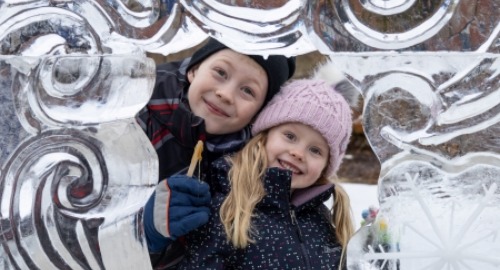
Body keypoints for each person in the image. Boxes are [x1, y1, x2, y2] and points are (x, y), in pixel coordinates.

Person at [176, 60, 358, 269]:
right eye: (290, 136)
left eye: (315, 150)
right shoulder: (227, 209)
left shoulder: (324, 218)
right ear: (264, 136)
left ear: (327, 165)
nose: (298, 153)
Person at [137, 38, 296, 267]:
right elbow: (76, 229)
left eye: (248, 91)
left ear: (258, 114)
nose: (226, 94)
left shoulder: (251, 166)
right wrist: (143, 230)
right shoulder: (131, 118)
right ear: (194, 70)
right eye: (221, 72)